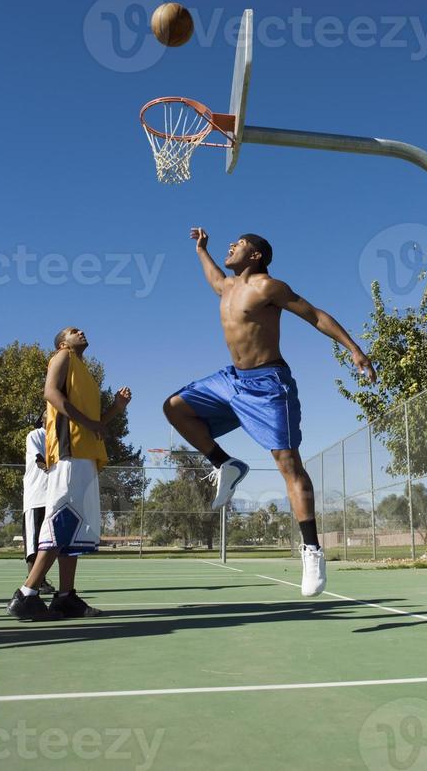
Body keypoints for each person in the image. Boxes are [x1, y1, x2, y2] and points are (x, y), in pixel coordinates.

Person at [163, 230, 376, 597]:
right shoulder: (228, 287)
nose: (232, 246)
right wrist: (202, 250)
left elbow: (315, 315)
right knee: (175, 407)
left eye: (239, 244)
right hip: (232, 380)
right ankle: (225, 463)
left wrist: (354, 349)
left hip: (268, 384)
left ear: (257, 255)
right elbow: (214, 276)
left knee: (288, 463)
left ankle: (311, 550)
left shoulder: (270, 288)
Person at [7, 327, 132, 621]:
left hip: (85, 455)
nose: (81, 331)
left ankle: (65, 597)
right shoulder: (62, 356)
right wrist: (89, 423)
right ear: (63, 342)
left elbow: (95, 427)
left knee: (75, 528)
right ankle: (27, 595)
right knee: (62, 520)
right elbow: (50, 393)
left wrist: (116, 408)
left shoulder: (85, 374)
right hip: (68, 453)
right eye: (73, 331)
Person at [21, 413, 54, 594]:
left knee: (47, 542)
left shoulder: (59, 438)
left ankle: (40, 579)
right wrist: (51, 467)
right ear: (43, 419)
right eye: (48, 412)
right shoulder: (35, 435)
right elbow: (39, 458)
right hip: (36, 497)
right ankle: (34, 582)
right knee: (33, 543)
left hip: (53, 498)